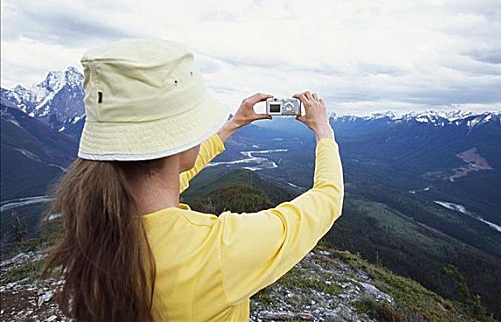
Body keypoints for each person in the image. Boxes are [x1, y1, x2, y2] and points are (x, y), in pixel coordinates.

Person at [40, 38, 344, 321]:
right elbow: (328, 199)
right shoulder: (217, 251)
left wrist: (234, 124)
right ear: (182, 140)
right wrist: (324, 132)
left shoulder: (94, 220)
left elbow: (169, 174)